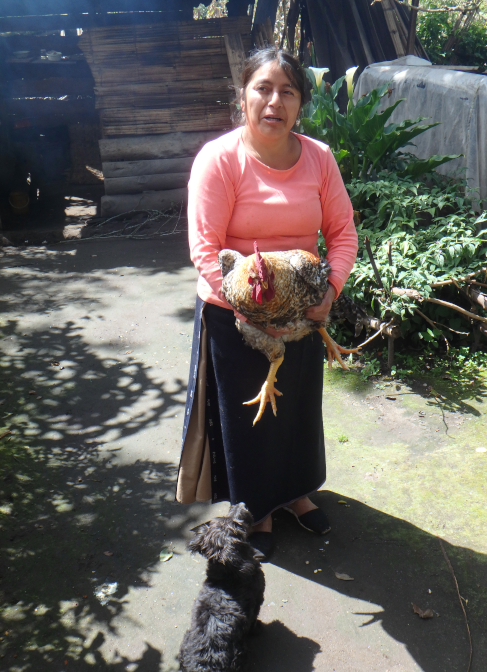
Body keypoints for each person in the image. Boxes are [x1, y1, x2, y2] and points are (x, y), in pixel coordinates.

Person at [176, 47, 358, 561]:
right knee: (249, 418)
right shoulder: (219, 160)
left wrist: (330, 291)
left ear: (301, 103)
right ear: (243, 97)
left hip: (303, 306)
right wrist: (247, 310)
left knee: (296, 408)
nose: (274, 101)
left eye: (288, 91)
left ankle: (296, 492)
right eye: (263, 88)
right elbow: (204, 248)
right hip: (236, 311)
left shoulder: (319, 158)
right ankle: (255, 509)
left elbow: (342, 234)